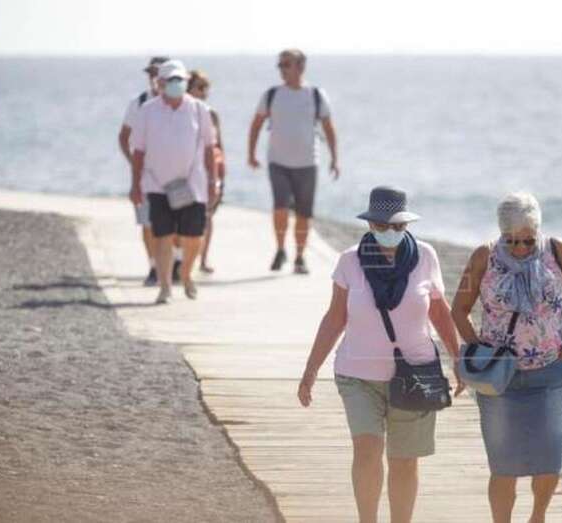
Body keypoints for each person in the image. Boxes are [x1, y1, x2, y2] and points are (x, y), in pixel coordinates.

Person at [298, 186, 464, 523]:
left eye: (397, 227)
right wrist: (310, 370)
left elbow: (440, 312)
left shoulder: (426, 256)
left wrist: (459, 359)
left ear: (406, 225)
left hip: (415, 376)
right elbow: (335, 318)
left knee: (404, 460)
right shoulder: (350, 260)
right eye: (381, 226)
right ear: (370, 224)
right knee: (367, 450)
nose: (389, 233)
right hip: (357, 375)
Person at [450, 192, 562, 523]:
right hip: (500, 379)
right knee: (503, 464)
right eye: (512, 241)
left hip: (549, 372)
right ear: (501, 234)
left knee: (549, 459)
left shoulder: (558, 250)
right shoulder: (484, 256)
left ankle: (537, 516)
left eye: (527, 241)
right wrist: (481, 353)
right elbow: (459, 309)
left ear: (537, 232)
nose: (521, 249)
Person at [129, 60, 219, 304]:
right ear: (159, 84)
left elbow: (210, 148)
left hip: (192, 184)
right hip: (156, 184)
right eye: (170, 81)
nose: (176, 85)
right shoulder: (147, 111)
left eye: (180, 80)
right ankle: (165, 286)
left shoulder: (199, 110)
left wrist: (213, 182)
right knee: (163, 235)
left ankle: (186, 274)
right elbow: (138, 151)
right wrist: (135, 184)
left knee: (193, 236)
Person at [247, 49, 340, 275]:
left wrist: (335, 159)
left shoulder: (316, 95)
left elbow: (329, 127)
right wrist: (251, 153)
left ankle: (299, 256)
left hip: (308, 163)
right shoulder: (271, 94)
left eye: (286, 64)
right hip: (278, 162)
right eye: (280, 65)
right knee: (279, 208)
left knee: (303, 214)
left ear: (300, 66)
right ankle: (280, 249)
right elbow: (256, 124)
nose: (282, 69)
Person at [118, 56, 168, 286]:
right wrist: (133, 164)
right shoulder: (138, 103)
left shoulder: (182, 103)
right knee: (148, 223)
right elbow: (123, 137)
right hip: (146, 174)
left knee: (175, 223)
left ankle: (174, 263)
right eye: (151, 74)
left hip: (175, 173)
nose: (154, 78)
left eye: (158, 73)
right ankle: (153, 267)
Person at [187, 70, 225, 273]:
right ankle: (185, 260)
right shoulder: (184, 112)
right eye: (199, 87)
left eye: (206, 88)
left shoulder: (212, 114)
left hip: (211, 170)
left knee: (208, 216)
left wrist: (220, 174)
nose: (204, 92)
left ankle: (203, 259)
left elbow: (219, 145)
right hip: (190, 172)